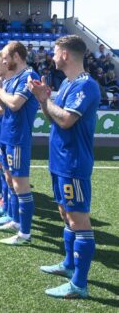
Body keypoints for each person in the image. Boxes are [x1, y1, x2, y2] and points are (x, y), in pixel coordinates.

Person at [28, 35, 100, 299]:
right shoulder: (69, 84)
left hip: (74, 162)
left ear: (66, 54)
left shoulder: (86, 86)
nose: (53, 56)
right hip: (60, 160)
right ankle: (69, 264)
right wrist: (41, 98)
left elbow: (67, 120)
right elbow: (53, 117)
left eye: (55, 52)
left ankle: (79, 285)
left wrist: (46, 100)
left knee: (79, 220)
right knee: (65, 213)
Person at [0, 42, 40, 245]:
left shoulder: (29, 76)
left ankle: (25, 234)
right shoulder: (13, 78)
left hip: (18, 137)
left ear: (16, 56)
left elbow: (15, 104)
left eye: (5, 58)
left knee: (20, 184)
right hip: (7, 134)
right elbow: (4, 107)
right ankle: (16, 221)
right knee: (10, 180)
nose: (2, 61)